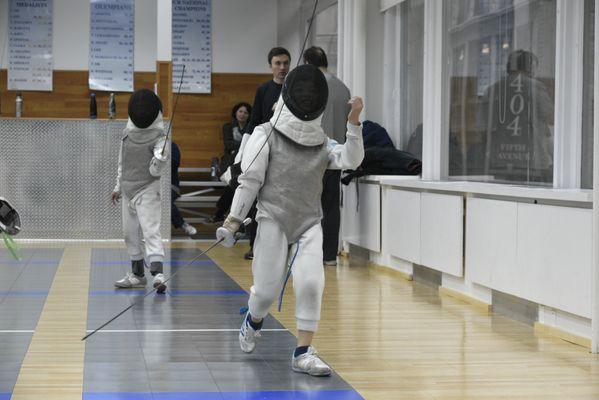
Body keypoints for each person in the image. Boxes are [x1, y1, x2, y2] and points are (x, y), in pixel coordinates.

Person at [216, 64, 364, 376]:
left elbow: (351, 159)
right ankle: (253, 320)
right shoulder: (265, 134)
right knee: (265, 292)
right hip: (272, 217)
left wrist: (354, 124)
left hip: (309, 221)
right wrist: (233, 221)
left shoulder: (322, 142)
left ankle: (303, 352)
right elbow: (250, 180)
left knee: (311, 283)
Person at [111, 89, 169, 293]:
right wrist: (118, 186)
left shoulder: (160, 137)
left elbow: (155, 170)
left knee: (150, 230)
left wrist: (160, 158)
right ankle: (137, 275)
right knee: (129, 234)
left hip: (147, 189)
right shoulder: (127, 133)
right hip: (128, 189)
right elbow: (122, 161)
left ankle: (158, 274)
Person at [303, 46, 351, 266]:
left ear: (307, 64)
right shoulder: (343, 88)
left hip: (312, 154)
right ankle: (329, 255)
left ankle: (306, 253)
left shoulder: (311, 86)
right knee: (331, 206)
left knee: (306, 205)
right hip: (336, 155)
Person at [242, 47, 292, 260]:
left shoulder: (294, 90)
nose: (282, 68)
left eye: (285, 63)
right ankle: (255, 245)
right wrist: (244, 151)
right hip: (265, 151)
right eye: (277, 63)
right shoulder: (263, 90)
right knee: (258, 200)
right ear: (270, 66)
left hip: (288, 154)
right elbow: (254, 122)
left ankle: (287, 246)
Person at [207, 102, 253, 224]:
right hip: (229, 163)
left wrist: (239, 147)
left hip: (245, 163)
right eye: (240, 111)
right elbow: (228, 145)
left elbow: (251, 145)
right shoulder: (227, 127)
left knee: (236, 185)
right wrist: (243, 146)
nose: (242, 114)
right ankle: (225, 215)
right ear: (235, 112)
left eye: (246, 112)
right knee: (234, 184)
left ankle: (221, 213)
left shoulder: (252, 128)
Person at [171, 141, 197, 236]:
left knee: (164, 200)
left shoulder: (172, 145)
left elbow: (174, 163)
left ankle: (182, 224)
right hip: (151, 186)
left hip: (170, 185)